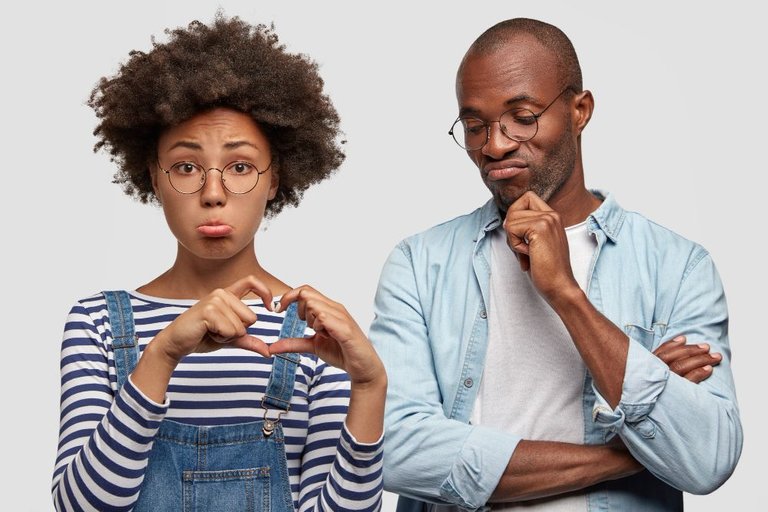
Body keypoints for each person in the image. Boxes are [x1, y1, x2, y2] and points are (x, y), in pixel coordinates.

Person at [370, 17, 742, 511]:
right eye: (476, 125)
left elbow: (708, 458)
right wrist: (635, 449)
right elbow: (393, 451)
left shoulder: (677, 267)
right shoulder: (420, 265)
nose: (494, 146)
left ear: (579, 109)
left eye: (521, 117)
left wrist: (566, 294)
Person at [51, 14, 386, 512]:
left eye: (240, 167)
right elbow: (81, 507)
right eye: (186, 166)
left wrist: (370, 387)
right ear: (154, 176)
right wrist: (161, 354)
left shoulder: (316, 334)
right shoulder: (96, 324)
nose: (213, 193)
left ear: (275, 179)